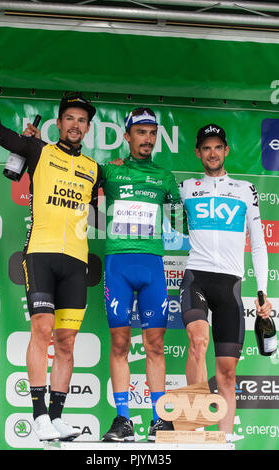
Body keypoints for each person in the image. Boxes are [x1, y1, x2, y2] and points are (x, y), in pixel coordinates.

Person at [0, 55, 101, 441]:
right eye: (70, 118)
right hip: (42, 254)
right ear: (59, 122)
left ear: (87, 127)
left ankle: (57, 417)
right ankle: (37, 416)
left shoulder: (97, 168)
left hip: (76, 261)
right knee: (43, 330)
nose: (76, 125)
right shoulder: (38, 151)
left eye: (83, 120)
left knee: (67, 342)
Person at [179, 123, 272, 441]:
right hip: (197, 277)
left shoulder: (245, 190)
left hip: (231, 284)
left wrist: (263, 291)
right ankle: (194, 426)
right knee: (198, 341)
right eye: (206, 147)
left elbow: (258, 243)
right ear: (198, 153)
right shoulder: (185, 187)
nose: (213, 152)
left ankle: (222, 439)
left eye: (218, 146)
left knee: (228, 371)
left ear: (226, 151)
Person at [100, 107, 186, 442]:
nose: (147, 139)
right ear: (127, 136)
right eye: (141, 132)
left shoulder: (164, 176)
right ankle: (123, 420)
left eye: (152, 133)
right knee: (119, 343)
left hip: (151, 264)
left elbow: (179, 221)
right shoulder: (110, 170)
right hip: (118, 264)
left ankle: (158, 420)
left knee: (156, 344)